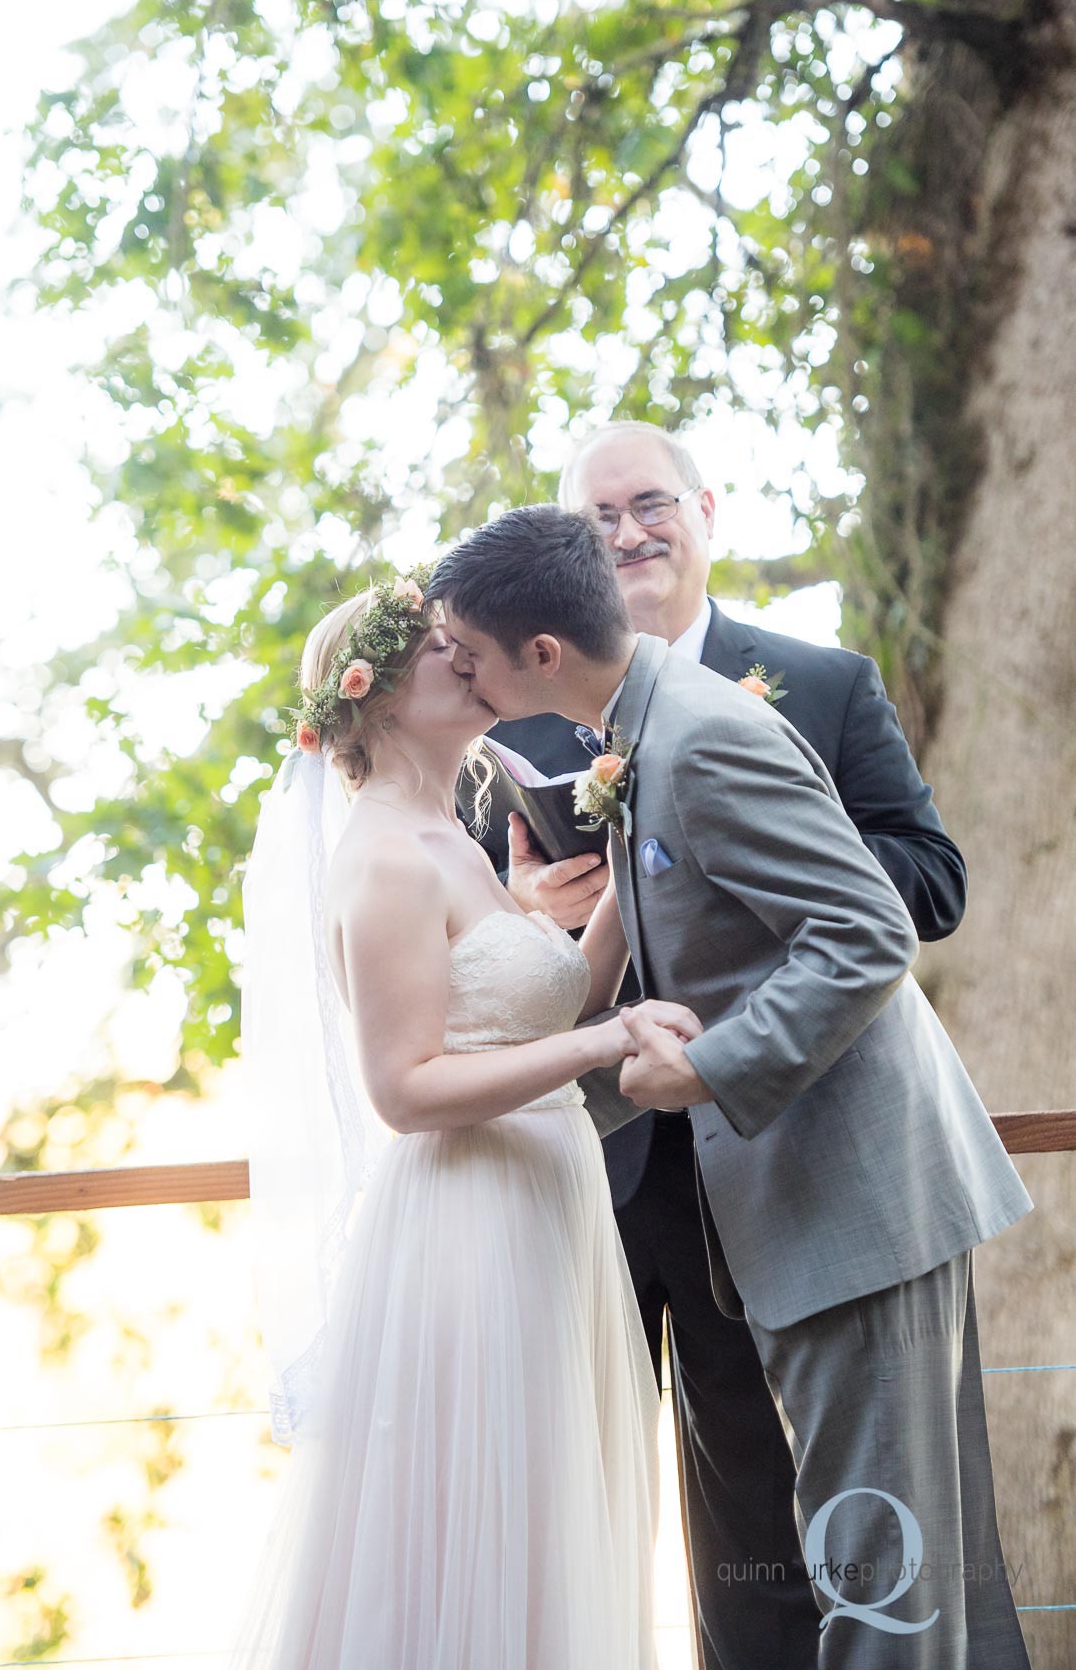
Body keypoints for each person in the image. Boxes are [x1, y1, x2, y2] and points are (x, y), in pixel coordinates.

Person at [429, 505, 1033, 1670]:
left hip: (858, 1207)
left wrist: (705, 1066)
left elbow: (865, 931)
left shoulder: (698, 736)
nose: (457, 668)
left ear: (538, 657)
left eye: (467, 649)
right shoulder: (643, 730)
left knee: (881, 1581)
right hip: (820, 1207)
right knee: (925, 1582)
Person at [229, 571, 674, 1670]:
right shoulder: (381, 853)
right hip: (467, 1227)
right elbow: (406, 1089)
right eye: (441, 645)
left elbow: (553, 997)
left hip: (542, 1201)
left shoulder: (456, 839)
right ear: (370, 694)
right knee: (480, 1533)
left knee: (548, 1528)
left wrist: (632, 836)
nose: (468, 653)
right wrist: (606, 1044)